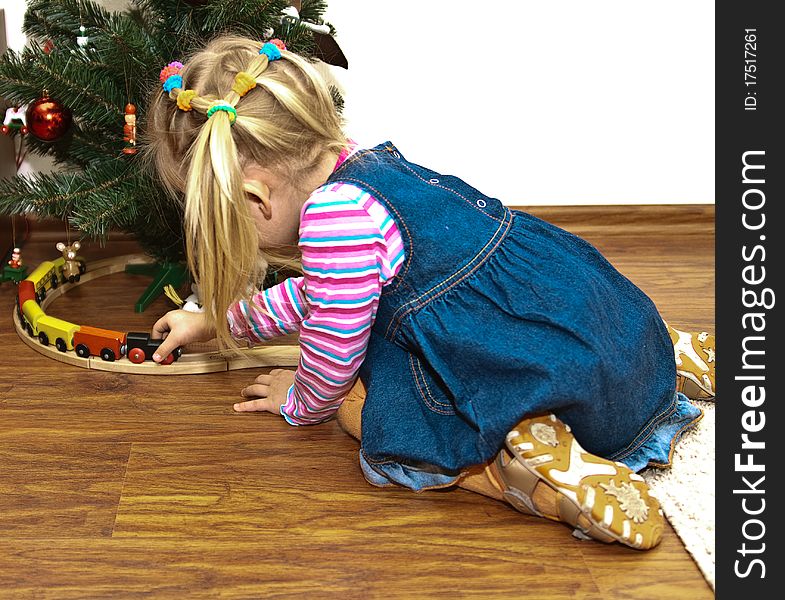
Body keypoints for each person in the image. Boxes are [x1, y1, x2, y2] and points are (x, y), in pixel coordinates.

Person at [144, 35, 716, 551]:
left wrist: (303, 403)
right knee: (593, 323)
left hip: (520, 370)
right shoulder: (364, 165)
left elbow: (335, 341)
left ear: (254, 198)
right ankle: (667, 352)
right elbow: (323, 295)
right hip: (583, 314)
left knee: (369, 419)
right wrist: (219, 323)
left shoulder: (331, 220)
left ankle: (532, 472)